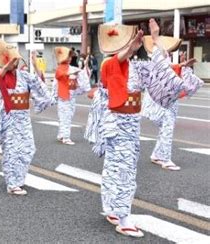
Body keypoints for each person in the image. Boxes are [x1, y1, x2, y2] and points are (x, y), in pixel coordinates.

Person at [85, 19, 203, 237]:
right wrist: (135, 46)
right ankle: (123, 218)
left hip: (130, 125)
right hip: (116, 124)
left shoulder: (136, 67)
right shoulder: (107, 64)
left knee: (115, 168)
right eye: (126, 45)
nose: (130, 48)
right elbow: (118, 61)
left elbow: (160, 70)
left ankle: (113, 209)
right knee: (123, 171)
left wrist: (159, 47)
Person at [0, 39, 54, 195]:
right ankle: (12, 184)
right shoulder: (0, 76)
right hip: (9, 118)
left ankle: (18, 179)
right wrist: (6, 67)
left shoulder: (25, 76)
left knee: (28, 149)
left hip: (23, 118)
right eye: (13, 60)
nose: (16, 63)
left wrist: (35, 64)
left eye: (17, 60)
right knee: (11, 150)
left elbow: (39, 85)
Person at [140, 36, 203, 171]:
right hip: (161, 99)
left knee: (166, 127)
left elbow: (169, 68)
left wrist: (182, 65)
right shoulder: (156, 57)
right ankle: (165, 158)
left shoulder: (162, 57)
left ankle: (158, 155)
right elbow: (165, 70)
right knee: (167, 127)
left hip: (165, 98)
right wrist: (181, 66)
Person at [54, 46, 90, 145]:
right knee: (65, 116)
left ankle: (61, 135)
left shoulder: (71, 68)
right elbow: (60, 76)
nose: (69, 59)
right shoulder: (60, 69)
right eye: (68, 57)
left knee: (68, 116)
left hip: (71, 97)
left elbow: (80, 75)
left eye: (70, 57)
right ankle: (65, 137)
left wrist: (84, 68)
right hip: (63, 97)